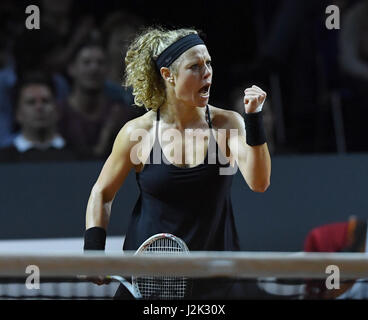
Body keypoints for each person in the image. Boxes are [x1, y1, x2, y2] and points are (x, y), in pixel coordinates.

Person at [83, 27, 271, 299]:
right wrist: (93, 253)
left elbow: (260, 182)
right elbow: (101, 193)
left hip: (214, 281)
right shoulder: (138, 133)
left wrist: (253, 119)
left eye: (209, 63)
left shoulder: (226, 125)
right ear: (168, 75)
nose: (207, 72)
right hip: (148, 279)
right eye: (195, 66)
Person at [0, 73, 76, 162]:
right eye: (31, 102)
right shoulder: (3, 159)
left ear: (57, 110)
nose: (39, 107)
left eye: (45, 101)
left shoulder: (78, 155)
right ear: (18, 113)